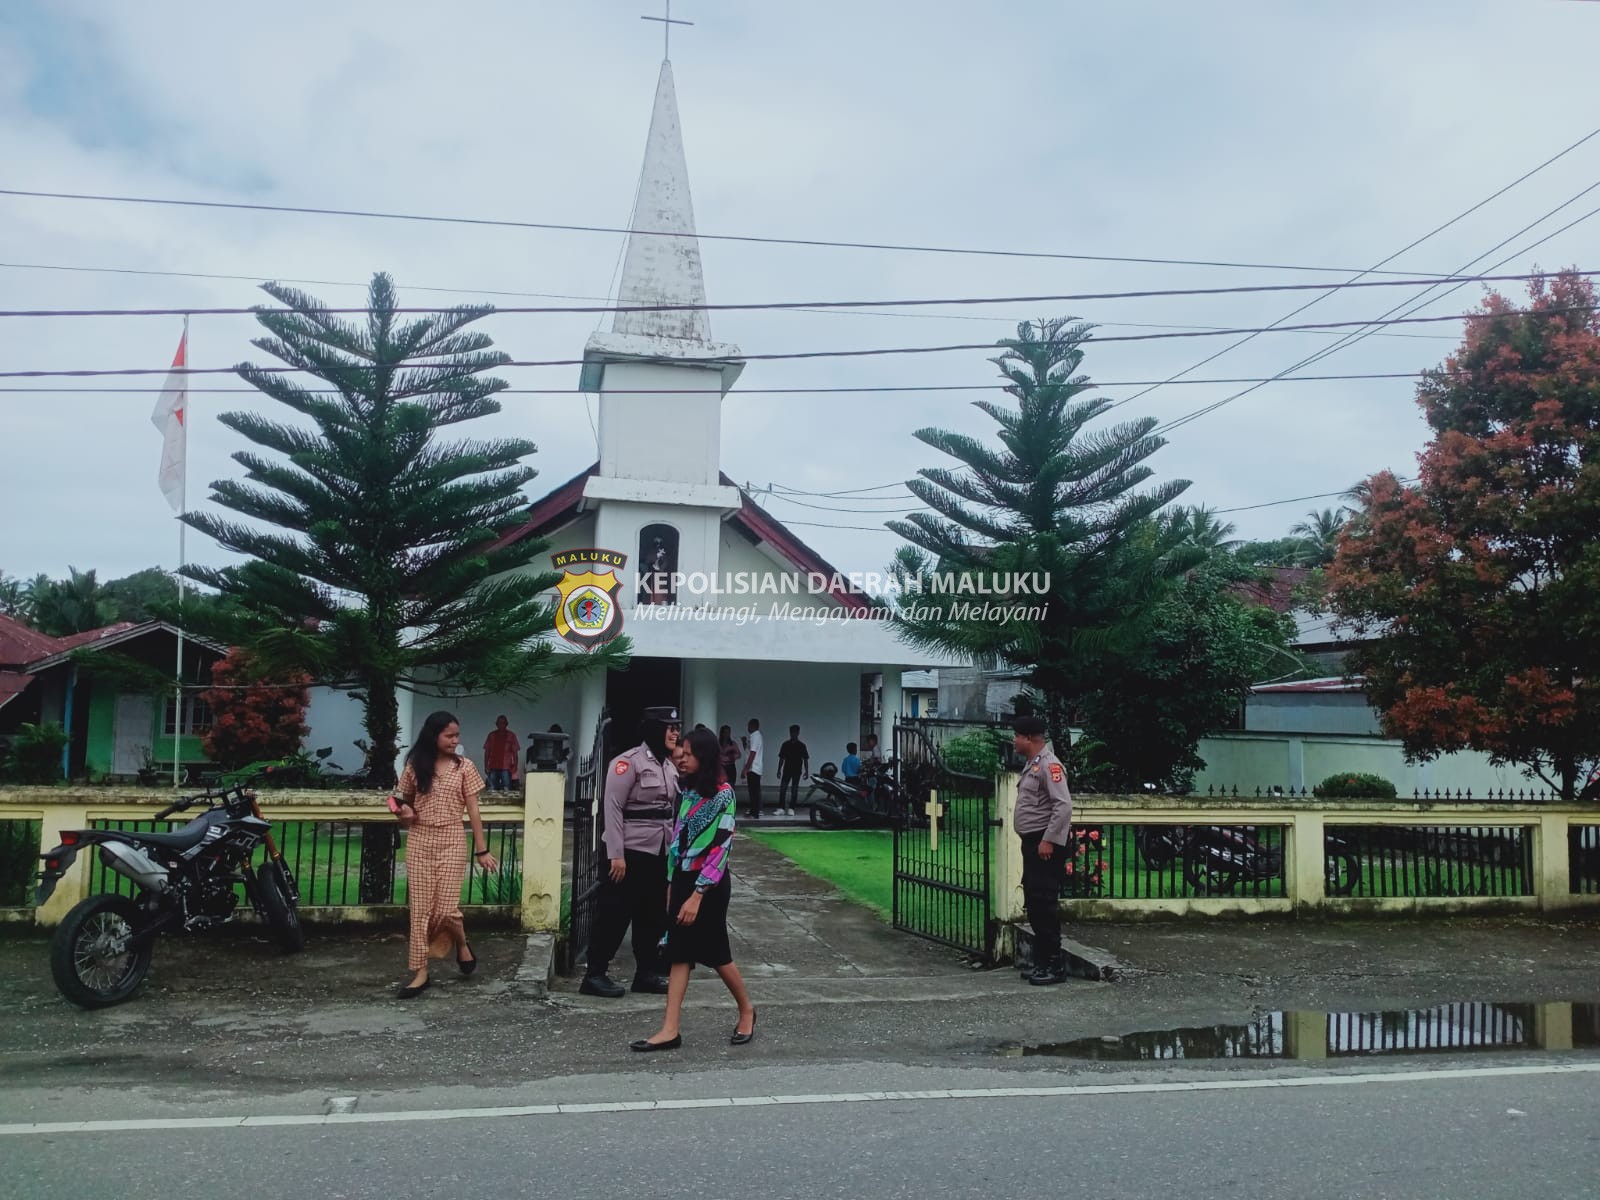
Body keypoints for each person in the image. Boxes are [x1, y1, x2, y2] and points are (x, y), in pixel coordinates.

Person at [631, 727, 755, 1052]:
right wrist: (673, 883)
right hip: (683, 879)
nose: (680, 759)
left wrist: (697, 895)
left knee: (717, 954)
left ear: (705, 756)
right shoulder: (686, 793)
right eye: (679, 753)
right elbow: (677, 842)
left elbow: (720, 848)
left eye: (687, 754)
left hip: (709, 885)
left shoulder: (723, 795)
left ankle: (746, 1010)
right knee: (678, 953)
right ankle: (670, 1029)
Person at [392, 711, 499, 998]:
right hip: (420, 839)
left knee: (446, 909)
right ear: (433, 735)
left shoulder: (465, 767)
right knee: (421, 910)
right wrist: (403, 813)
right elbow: (405, 810)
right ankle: (420, 972)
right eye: (449, 736)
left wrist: (482, 850)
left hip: (452, 838)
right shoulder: (415, 766)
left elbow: (474, 810)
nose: (455, 741)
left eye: (457, 735)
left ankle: (462, 944)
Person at [582, 705, 682, 998]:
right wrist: (616, 854)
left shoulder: (667, 765)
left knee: (651, 917)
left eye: (677, 727)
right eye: (669, 727)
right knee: (614, 915)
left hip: (658, 852)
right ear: (653, 729)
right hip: (629, 852)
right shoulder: (627, 763)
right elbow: (611, 809)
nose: (675, 732)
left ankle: (646, 973)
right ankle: (595, 974)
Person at [1011, 714, 1073, 986]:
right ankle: (1042, 962)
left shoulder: (1050, 766)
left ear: (1028, 738)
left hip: (1044, 845)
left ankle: (1055, 966)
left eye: (1017, 736)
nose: (1014, 741)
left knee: (1045, 903)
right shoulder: (1032, 765)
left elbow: (1063, 805)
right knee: (1035, 903)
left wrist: (1049, 840)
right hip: (1033, 844)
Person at [775, 724, 808, 816]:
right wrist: (778, 770)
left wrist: (806, 771)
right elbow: (782, 758)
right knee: (783, 789)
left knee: (794, 789)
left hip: (797, 770)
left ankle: (791, 808)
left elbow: (805, 759)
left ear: (798, 733)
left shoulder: (801, 745)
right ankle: (781, 808)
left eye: (794, 732)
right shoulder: (785, 744)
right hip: (787, 770)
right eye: (791, 732)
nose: (793, 734)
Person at [482, 715, 520, 792]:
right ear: (496, 724)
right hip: (493, 767)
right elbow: (487, 752)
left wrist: (515, 766)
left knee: (507, 789)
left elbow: (515, 753)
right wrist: (486, 766)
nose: (501, 725)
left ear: (507, 724)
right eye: (499, 723)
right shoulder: (491, 735)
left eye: (503, 723)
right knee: (491, 789)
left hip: (506, 767)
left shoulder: (511, 735)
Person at [742, 717, 765, 819]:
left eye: (749, 725)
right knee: (752, 790)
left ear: (753, 726)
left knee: (754, 791)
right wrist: (744, 743)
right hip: (754, 767)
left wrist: (746, 768)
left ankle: (755, 812)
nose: (748, 727)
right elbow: (748, 750)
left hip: (754, 767)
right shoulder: (754, 737)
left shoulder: (755, 736)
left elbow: (752, 753)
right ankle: (753, 810)